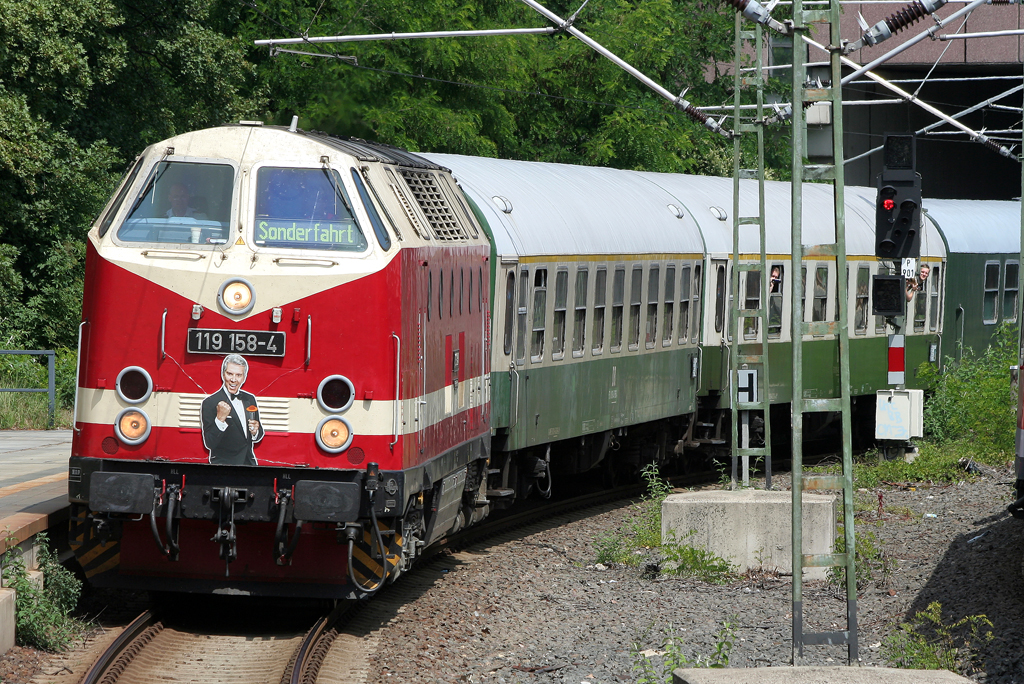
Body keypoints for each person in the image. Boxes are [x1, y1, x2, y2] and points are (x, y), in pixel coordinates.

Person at [201, 354, 264, 466]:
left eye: (238, 375)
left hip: (249, 464)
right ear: (223, 374)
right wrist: (220, 419)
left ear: (244, 377)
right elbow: (209, 443)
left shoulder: (250, 399)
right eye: (230, 374)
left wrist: (255, 432)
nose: (234, 379)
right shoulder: (210, 402)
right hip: (223, 467)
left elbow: (258, 434)